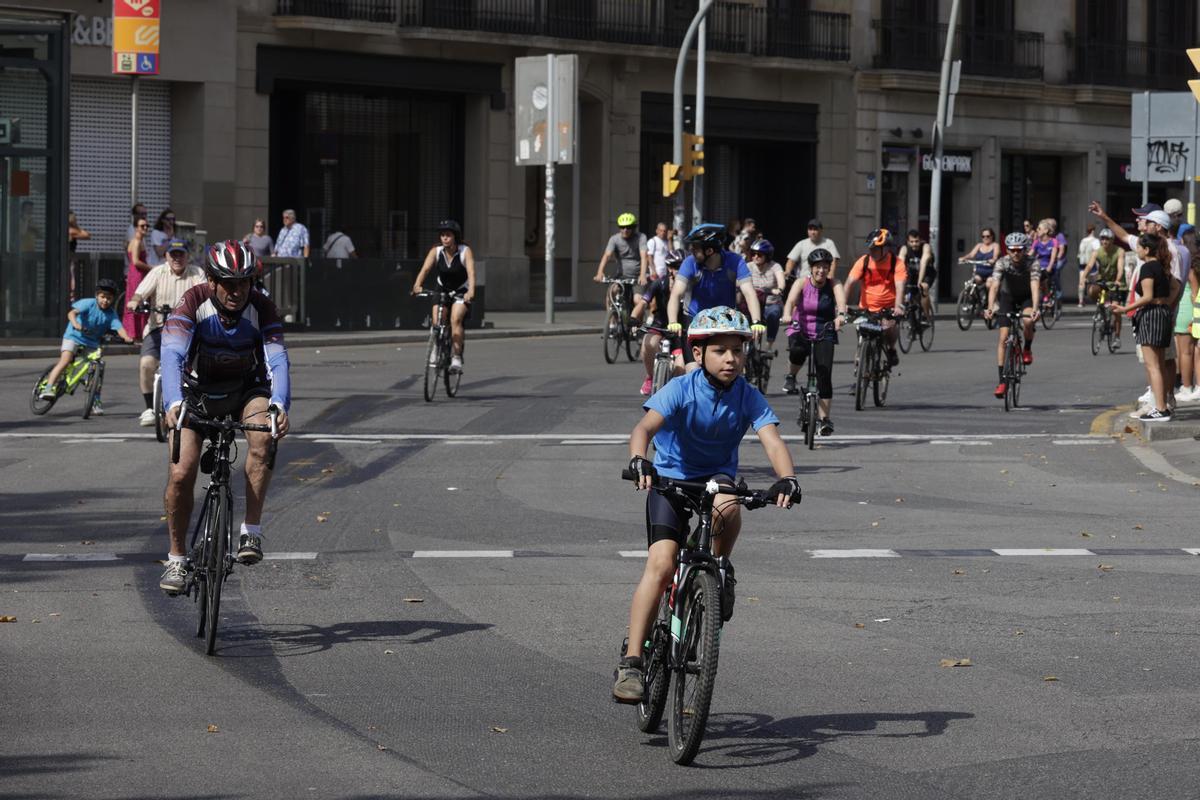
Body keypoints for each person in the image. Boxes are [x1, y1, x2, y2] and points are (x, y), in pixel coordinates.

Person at [612, 306, 800, 702]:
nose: (731, 358)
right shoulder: (682, 387)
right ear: (699, 354)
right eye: (720, 350)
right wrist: (638, 459)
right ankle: (631, 661)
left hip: (715, 479)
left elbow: (772, 439)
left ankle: (719, 571)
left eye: (737, 349)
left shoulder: (748, 395)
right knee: (662, 564)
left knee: (730, 502)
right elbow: (644, 428)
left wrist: (787, 478)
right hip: (669, 478)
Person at [157, 240, 292, 595]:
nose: (237, 291)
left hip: (247, 390)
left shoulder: (262, 308)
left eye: (244, 282)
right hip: (196, 393)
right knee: (181, 470)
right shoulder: (193, 301)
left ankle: (251, 531)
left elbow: (277, 359)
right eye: (229, 283)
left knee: (263, 437)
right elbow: (171, 355)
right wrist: (172, 402)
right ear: (212, 281)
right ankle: (177, 558)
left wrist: (279, 402)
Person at [1090, 201, 1183, 413]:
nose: (1141, 223)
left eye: (1146, 221)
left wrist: (1164, 305)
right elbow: (1123, 235)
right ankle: (1160, 402)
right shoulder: (1151, 246)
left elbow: (1175, 285)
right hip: (1153, 311)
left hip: (1155, 313)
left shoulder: (1165, 251)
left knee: (1159, 362)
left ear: (1157, 226)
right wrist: (1104, 216)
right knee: (1157, 361)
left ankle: (1161, 404)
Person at [126, 238, 206, 427]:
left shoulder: (197, 273)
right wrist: (135, 301)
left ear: (188, 256)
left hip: (188, 330)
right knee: (146, 364)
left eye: (181, 254)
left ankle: (197, 404)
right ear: (166, 256)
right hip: (158, 328)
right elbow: (140, 293)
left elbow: (207, 295)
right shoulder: (157, 272)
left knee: (197, 368)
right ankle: (149, 408)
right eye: (173, 254)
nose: (177, 258)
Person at [665, 223, 765, 367]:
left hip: (725, 321)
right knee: (693, 369)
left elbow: (749, 293)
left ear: (710, 250)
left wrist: (756, 322)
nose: (691, 250)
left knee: (729, 369)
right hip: (694, 320)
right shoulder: (690, 263)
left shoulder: (735, 261)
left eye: (696, 247)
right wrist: (673, 322)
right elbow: (676, 294)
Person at [1108, 232, 1180, 421]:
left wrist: (1125, 309)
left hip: (1151, 315)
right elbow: (1176, 287)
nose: (1137, 250)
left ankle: (1161, 408)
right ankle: (1161, 405)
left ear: (1147, 249)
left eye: (1139, 247)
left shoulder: (1148, 267)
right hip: (1163, 314)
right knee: (1160, 364)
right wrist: (1166, 303)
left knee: (1153, 365)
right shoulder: (1163, 267)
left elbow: (1147, 296)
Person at [37, 278, 135, 412]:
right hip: (74, 336)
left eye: (109, 298)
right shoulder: (88, 303)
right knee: (65, 360)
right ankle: (48, 388)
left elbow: (119, 328)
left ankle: (95, 400)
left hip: (92, 342)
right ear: (96, 296)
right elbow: (71, 313)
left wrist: (127, 338)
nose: (105, 300)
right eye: (102, 297)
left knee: (98, 368)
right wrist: (76, 324)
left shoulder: (111, 314)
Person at [780, 248, 848, 435]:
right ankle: (791, 376)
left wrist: (840, 316)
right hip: (800, 327)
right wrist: (786, 314)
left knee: (824, 374)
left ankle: (824, 419)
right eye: (818, 267)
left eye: (825, 267)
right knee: (797, 352)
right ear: (811, 268)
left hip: (824, 330)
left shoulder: (834, 283)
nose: (821, 271)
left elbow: (841, 303)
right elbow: (791, 301)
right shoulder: (802, 282)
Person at [411, 219, 476, 375]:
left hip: (461, 290)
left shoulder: (465, 251)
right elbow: (425, 269)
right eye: (442, 235)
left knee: (455, 320)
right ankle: (435, 348)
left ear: (455, 237)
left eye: (448, 235)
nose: (444, 238)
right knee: (436, 321)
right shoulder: (436, 251)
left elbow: (471, 273)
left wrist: (471, 291)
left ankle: (456, 357)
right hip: (442, 288)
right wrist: (417, 285)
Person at [984, 232, 1041, 398]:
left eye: (1019, 250)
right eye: (1012, 250)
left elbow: (1035, 285)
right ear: (1007, 250)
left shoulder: (1033, 263)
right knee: (1003, 338)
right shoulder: (1002, 262)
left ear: (1025, 250)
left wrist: (1036, 308)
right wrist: (989, 307)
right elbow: (994, 286)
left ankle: (1027, 348)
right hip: (1007, 297)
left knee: (1028, 321)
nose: (1016, 253)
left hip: (1026, 298)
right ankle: (1002, 381)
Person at [842, 228, 906, 368]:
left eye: (876, 248)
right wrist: (842, 306)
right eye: (870, 248)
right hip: (866, 309)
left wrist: (897, 307)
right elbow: (848, 284)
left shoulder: (897, 263)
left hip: (887, 308)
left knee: (891, 327)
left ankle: (891, 349)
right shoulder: (863, 261)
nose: (871, 251)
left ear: (886, 248)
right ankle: (859, 378)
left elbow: (900, 287)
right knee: (861, 343)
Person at [638, 250, 685, 396]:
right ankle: (651, 377)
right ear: (670, 269)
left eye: (682, 267)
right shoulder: (659, 283)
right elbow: (643, 303)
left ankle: (676, 395)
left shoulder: (692, 286)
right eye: (676, 267)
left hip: (681, 331)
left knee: (681, 367)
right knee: (648, 344)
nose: (679, 270)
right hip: (660, 325)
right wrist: (633, 318)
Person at [1081, 228, 1126, 347]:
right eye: (1102, 239)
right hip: (1103, 281)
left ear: (1112, 240)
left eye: (1107, 239)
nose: (1104, 241)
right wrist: (1084, 277)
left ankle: (1117, 337)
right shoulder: (1097, 252)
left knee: (1116, 310)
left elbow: (1120, 267)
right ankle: (1101, 311)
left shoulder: (1119, 251)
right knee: (1092, 290)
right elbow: (1090, 265)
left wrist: (1117, 280)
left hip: (1116, 283)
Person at [745, 238, 786, 351]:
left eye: (759, 254)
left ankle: (769, 344)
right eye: (753, 254)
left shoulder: (775, 266)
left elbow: (781, 281)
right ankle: (747, 345)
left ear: (767, 256)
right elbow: (741, 281)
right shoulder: (748, 266)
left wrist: (779, 288)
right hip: (754, 303)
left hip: (770, 303)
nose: (755, 257)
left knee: (773, 314)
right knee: (744, 316)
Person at [124, 216, 153, 340]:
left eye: (147, 226)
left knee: (138, 300)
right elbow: (136, 261)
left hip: (136, 274)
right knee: (138, 300)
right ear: (136, 228)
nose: (145, 228)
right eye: (142, 226)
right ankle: (134, 333)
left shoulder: (138, 241)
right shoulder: (136, 241)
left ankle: (135, 333)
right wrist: (151, 268)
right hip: (137, 274)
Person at [898, 229, 936, 319]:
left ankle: (926, 315)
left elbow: (923, 263)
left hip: (927, 273)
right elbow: (900, 264)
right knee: (902, 289)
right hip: (912, 274)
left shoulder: (926, 247)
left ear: (920, 240)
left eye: (916, 241)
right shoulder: (904, 249)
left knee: (924, 287)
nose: (914, 244)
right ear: (908, 242)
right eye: (912, 242)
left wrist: (919, 282)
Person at [958, 227, 999, 300]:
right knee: (975, 280)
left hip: (990, 273)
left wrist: (992, 260)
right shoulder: (979, 245)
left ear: (992, 236)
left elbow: (995, 256)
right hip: (979, 272)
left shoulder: (995, 245)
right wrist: (964, 258)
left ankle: (990, 300)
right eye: (983, 236)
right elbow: (971, 255)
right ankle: (977, 299)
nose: (985, 238)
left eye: (987, 236)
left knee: (989, 284)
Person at [68, 211, 91, 302]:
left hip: (70, 257)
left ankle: (71, 295)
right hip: (69, 257)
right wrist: (76, 226)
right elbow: (86, 235)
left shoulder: (70, 230)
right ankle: (71, 294)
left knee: (71, 275)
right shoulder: (71, 230)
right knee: (71, 276)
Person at [1075, 224, 1100, 306]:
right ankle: (1098, 299)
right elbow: (1097, 253)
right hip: (1091, 264)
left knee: (1081, 281)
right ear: (1093, 231)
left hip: (1082, 264)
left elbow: (1079, 253)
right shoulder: (1095, 241)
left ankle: (1080, 301)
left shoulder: (1083, 240)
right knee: (1096, 282)